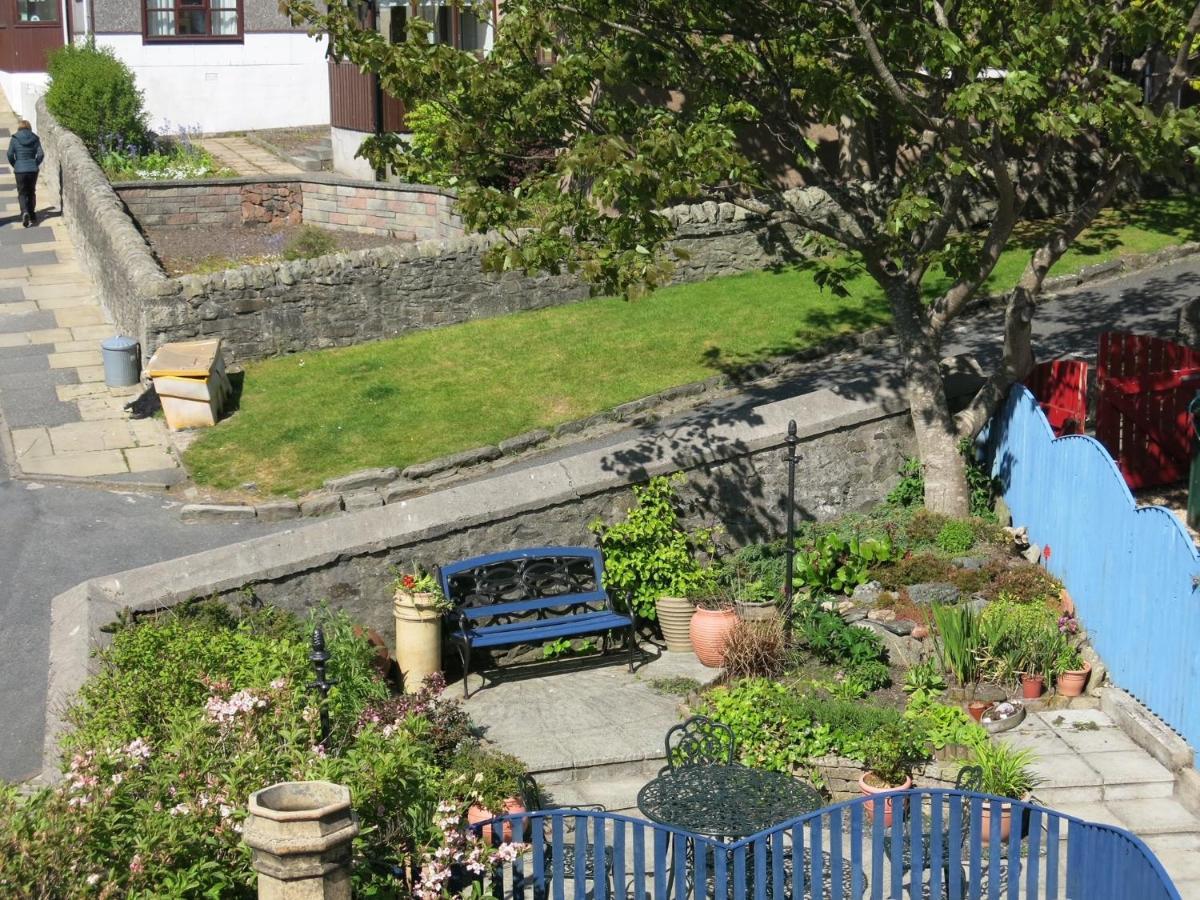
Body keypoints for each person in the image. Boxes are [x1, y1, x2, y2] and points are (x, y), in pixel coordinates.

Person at [7, 119, 44, 227]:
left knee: (22, 192)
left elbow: (9, 154)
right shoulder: (35, 138)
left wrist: (16, 164)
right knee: (31, 191)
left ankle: (24, 212)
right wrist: (35, 163)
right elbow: (41, 154)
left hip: (19, 170)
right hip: (32, 169)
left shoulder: (14, 139)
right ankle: (32, 214)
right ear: (29, 127)